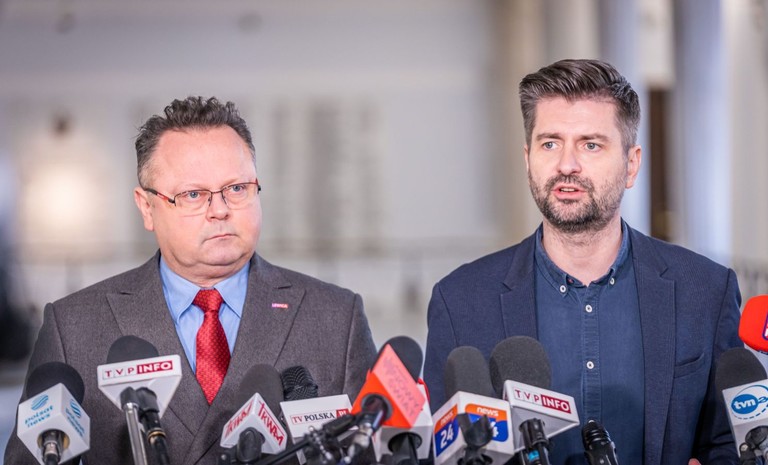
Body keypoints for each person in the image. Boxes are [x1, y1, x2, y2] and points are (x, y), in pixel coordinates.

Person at [4, 96, 377, 464]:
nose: (220, 210)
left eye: (237, 188)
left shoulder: (335, 318)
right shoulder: (75, 327)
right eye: (193, 194)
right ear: (147, 207)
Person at [424, 59, 741, 465]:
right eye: (550, 143)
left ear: (631, 164)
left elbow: (729, 443)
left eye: (591, 144)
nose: (566, 165)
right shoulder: (461, 302)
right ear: (527, 159)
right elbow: (437, 452)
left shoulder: (706, 291)